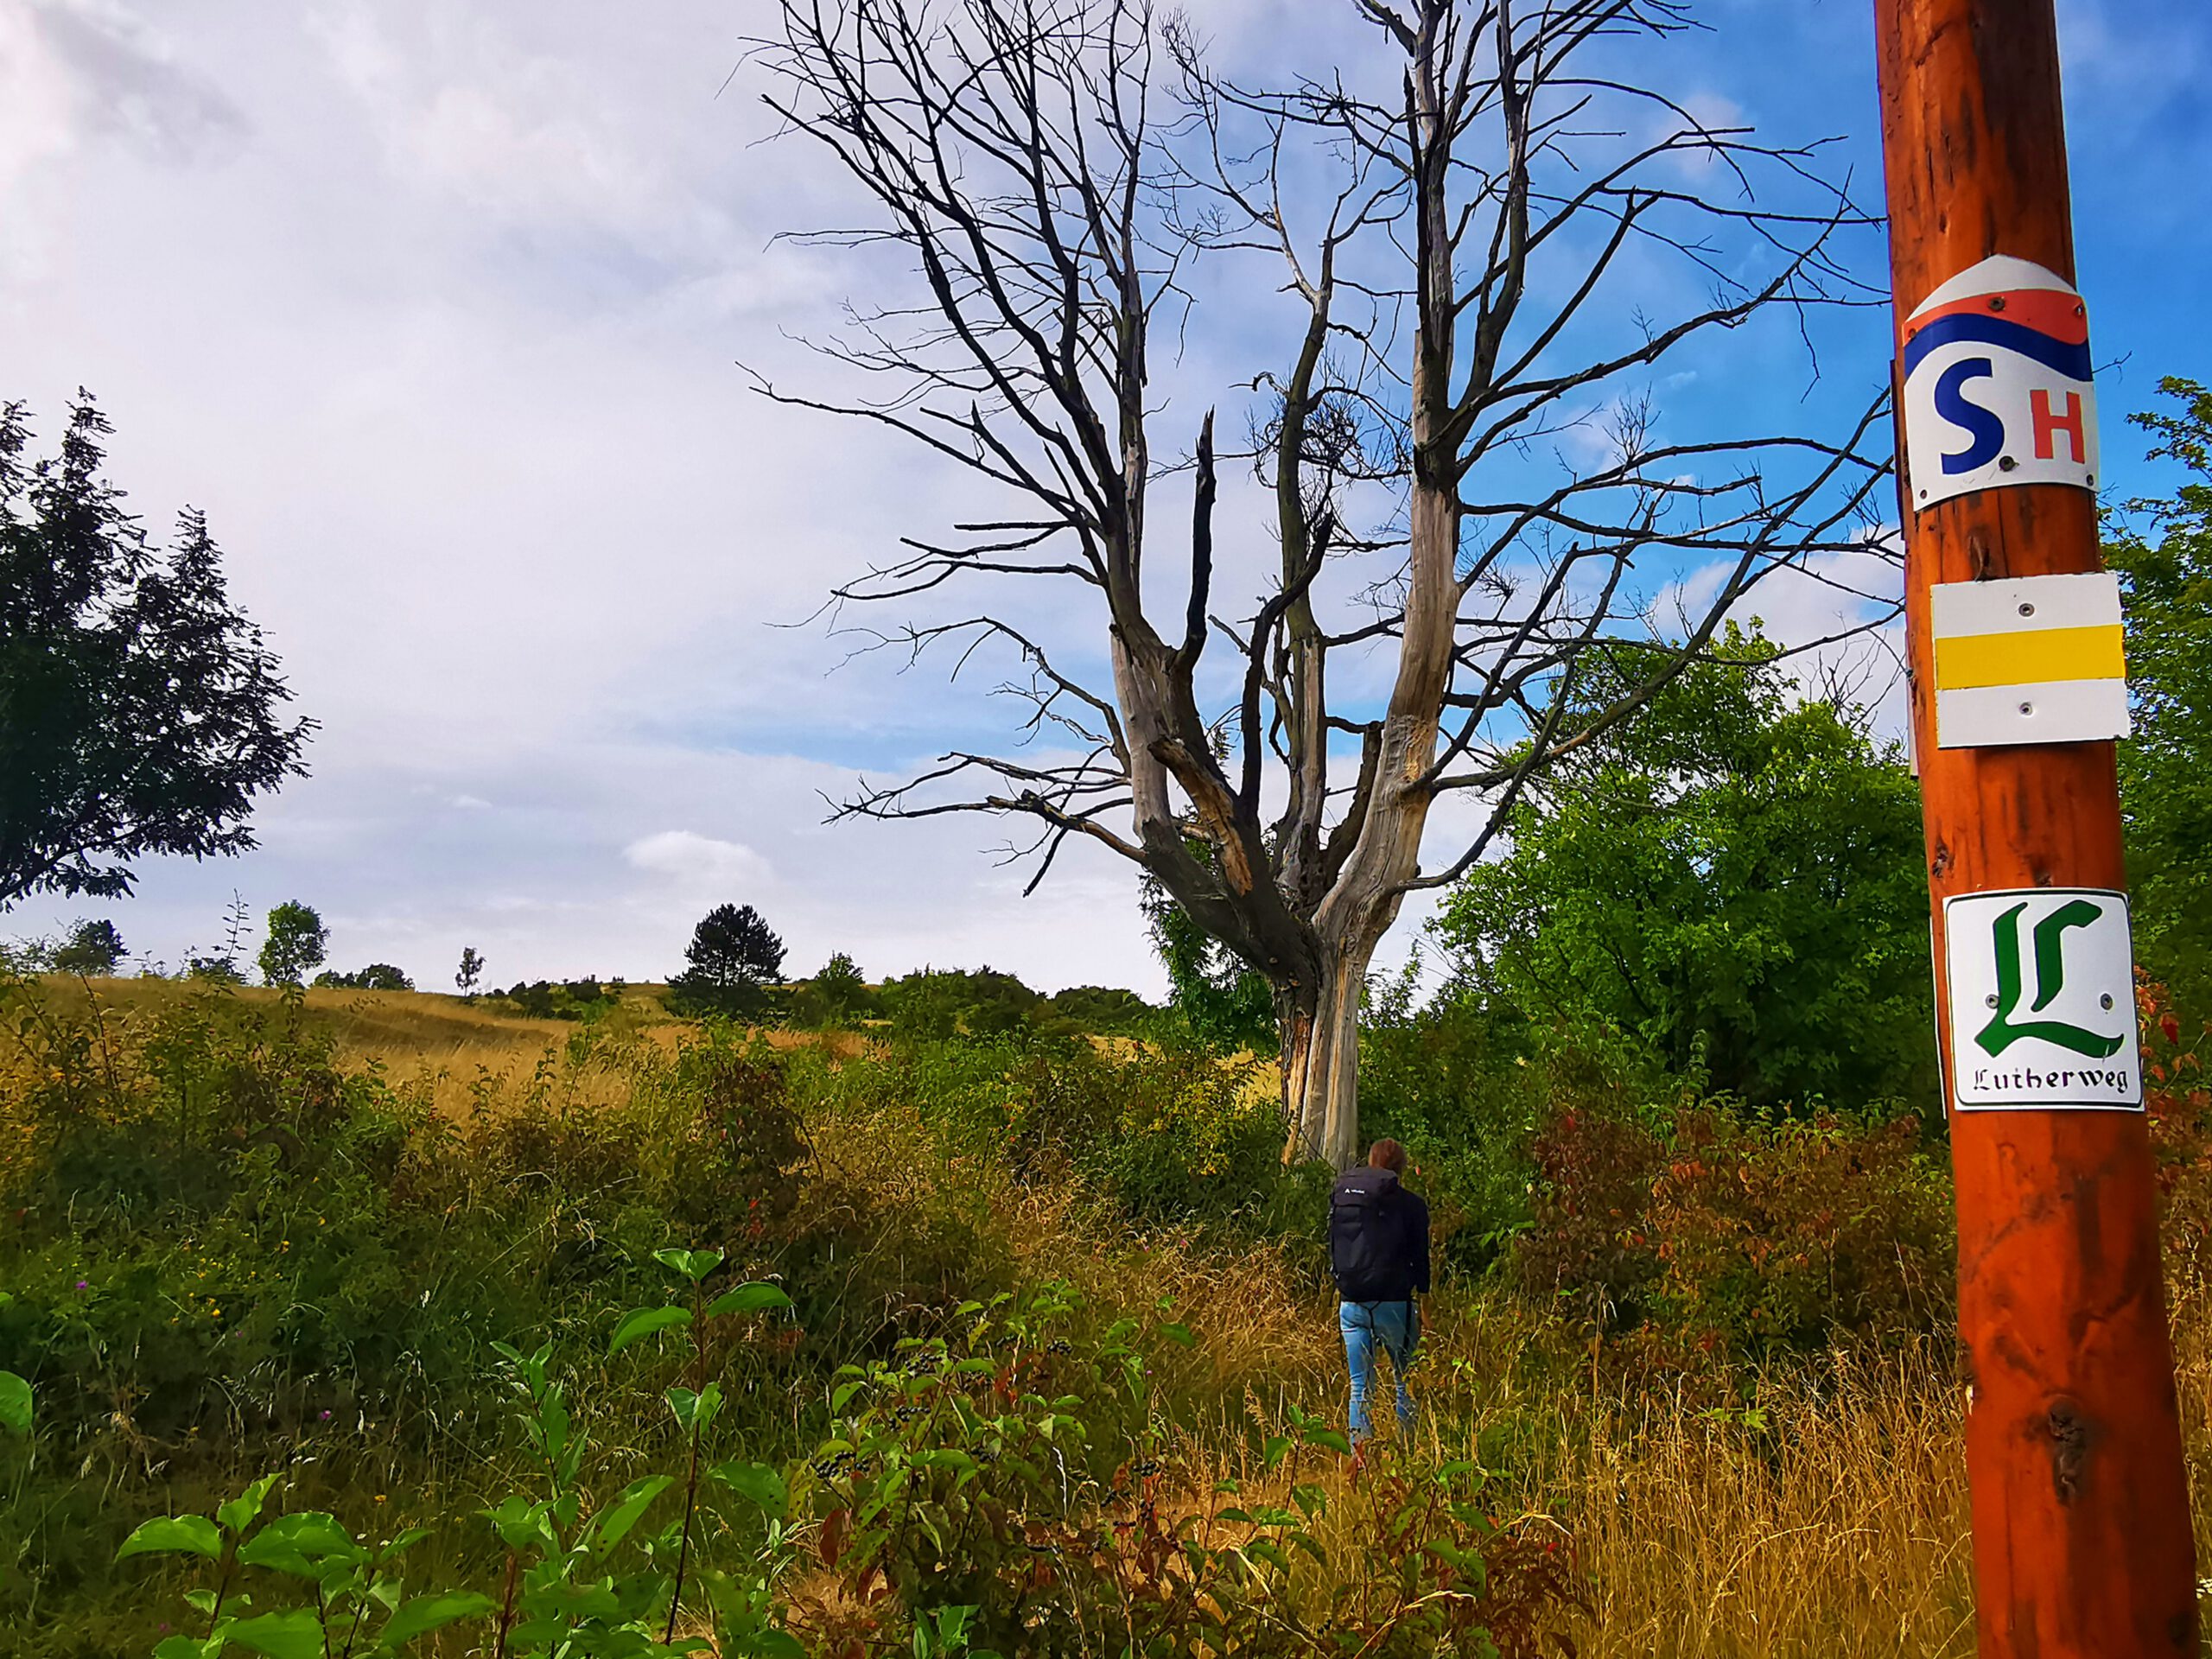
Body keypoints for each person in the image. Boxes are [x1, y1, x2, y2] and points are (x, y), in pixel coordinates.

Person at [1330, 1137, 1430, 1442]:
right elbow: (1420, 1258)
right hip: (1395, 1304)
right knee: (1405, 1381)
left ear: (1371, 1163)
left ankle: (1360, 1463)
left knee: (1360, 1386)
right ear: (1400, 1168)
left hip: (1352, 1303)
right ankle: (1407, 1452)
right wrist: (1425, 1301)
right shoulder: (1412, 1205)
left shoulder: (1348, 1200)